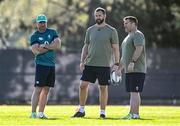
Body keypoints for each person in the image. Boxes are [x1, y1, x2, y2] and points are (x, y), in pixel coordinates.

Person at [72, 7, 120, 118]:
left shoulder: (112, 31)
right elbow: (86, 46)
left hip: (104, 65)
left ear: (104, 16)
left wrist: (116, 63)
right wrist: (82, 61)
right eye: (96, 15)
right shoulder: (90, 30)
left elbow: (116, 48)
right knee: (82, 86)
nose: (98, 17)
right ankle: (81, 110)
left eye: (100, 15)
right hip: (90, 63)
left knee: (103, 88)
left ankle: (102, 113)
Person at [29, 14, 61, 119]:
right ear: (37, 23)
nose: (42, 24)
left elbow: (58, 45)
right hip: (41, 65)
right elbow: (36, 51)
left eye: (44, 22)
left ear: (46, 22)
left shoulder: (52, 32)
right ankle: (33, 113)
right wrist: (51, 47)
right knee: (38, 89)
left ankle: (41, 113)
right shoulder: (34, 36)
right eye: (40, 22)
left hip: (51, 65)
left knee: (46, 90)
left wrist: (44, 46)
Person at [118, 16, 146, 119]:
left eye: (127, 23)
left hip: (137, 69)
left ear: (133, 24)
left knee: (135, 92)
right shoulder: (128, 37)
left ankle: (135, 114)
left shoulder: (138, 34)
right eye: (124, 23)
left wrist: (133, 62)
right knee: (132, 92)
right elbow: (124, 56)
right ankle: (131, 114)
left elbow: (139, 49)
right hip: (129, 70)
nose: (124, 25)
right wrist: (119, 69)